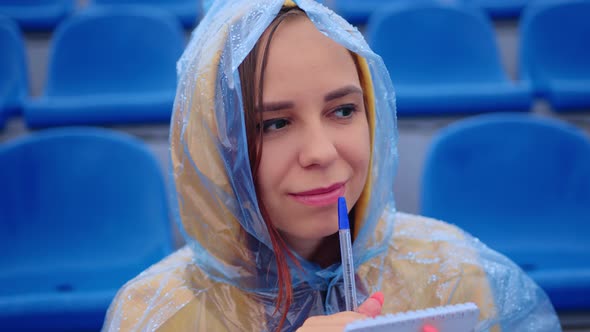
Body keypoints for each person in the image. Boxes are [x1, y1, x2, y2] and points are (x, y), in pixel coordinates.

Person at [102, 0, 561, 331]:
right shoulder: (155, 316)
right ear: (217, 143)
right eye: (275, 123)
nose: (321, 152)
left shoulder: (459, 276)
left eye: (343, 111)